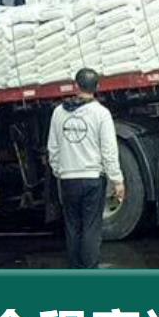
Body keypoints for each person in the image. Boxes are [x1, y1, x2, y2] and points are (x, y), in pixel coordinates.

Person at [47, 68, 125, 269]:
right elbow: (109, 150)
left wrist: (59, 171)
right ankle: (89, 271)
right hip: (92, 178)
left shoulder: (58, 112)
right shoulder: (101, 114)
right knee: (91, 227)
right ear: (97, 87)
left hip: (68, 179)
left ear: (75, 86)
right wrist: (117, 180)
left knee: (72, 227)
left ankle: (75, 270)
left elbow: (53, 147)